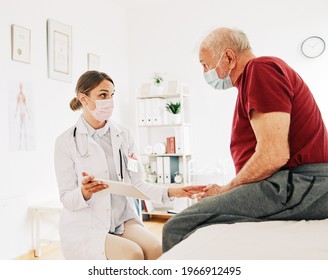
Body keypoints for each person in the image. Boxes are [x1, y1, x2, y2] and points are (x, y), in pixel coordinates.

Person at [162, 27, 328, 252]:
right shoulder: (254, 79)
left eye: (205, 64)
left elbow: (273, 154)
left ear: (229, 57)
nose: (204, 72)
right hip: (297, 183)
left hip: (302, 183)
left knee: (177, 226)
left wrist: (227, 189)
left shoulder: (261, 69)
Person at [54, 70, 201, 260]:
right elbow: (66, 198)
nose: (110, 101)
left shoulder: (123, 135)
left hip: (121, 219)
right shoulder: (65, 142)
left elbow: (137, 184)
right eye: (103, 95)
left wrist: (173, 191)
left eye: (112, 94)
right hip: (87, 224)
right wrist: (85, 192)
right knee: (132, 255)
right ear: (84, 99)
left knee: (157, 249)